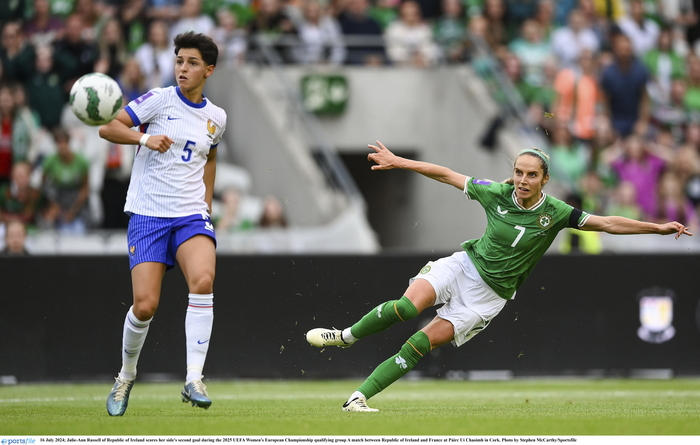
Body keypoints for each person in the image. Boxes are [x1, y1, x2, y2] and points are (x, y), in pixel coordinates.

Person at [305, 141, 691, 412]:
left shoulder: (555, 212)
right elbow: (447, 174)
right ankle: (346, 337)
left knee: (418, 345)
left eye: (531, 175)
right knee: (407, 307)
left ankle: (358, 398)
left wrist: (655, 228)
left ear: (545, 179)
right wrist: (401, 162)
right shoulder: (495, 193)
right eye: (518, 172)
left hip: (488, 298)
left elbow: (606, 222)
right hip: (463, 266)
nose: (522, 180)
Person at [98, 31, 227, 416]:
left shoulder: (216, 117)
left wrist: (205, 205)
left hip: (190, 215)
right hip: (149, 214)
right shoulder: (157, 99)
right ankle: (125, 376)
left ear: (209, 69)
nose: (182, 68)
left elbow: (211, 159)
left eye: (190, 63)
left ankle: (193, 378)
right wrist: (143, 139)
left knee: (203, 281)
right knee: (145, 305)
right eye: (178, 61)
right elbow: (108, 128)